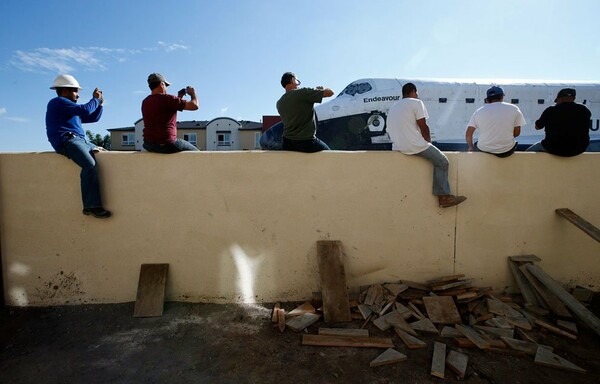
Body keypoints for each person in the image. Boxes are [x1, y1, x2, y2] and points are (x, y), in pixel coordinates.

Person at [387, 83, 466, 208]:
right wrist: (428, 143)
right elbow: (423, 126)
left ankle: (444, 196)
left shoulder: (394, 107)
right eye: (417, 93)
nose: (417, 96)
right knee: (442, 161)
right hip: (414, 145)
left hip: (398, 146)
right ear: (413, 91)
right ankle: (444, 197)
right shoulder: (416, 102)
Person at [45, 74, 111, 219]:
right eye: (75, 91)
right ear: (65, 91)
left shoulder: (70, 109)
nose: (77, 95)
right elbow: (85, 110)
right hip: (67, 141)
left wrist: (99, 104)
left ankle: (92, 205)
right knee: (89, 165)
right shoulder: (58, 102)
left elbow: (92, 117)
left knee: (109, 154)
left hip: (80, 140)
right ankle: (91, 206)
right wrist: (95, 99)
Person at [276, 72, 334, 152]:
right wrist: (321, 89)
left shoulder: (279, 103)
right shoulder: (302, 93)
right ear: (292, 80)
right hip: (306, 141)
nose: (298, 84)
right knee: (330, 156)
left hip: (287, 143)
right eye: (297, 81)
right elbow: (330, 93)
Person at [142, 73, 199, 153]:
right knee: (197, 153)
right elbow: (194, 106)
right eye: (166, 85)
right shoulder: (167, 98)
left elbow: (164, 112)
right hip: (167, 144)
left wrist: (179, 97)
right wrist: (193, 93)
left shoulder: (145, 102)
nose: (166, 88)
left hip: (148, 145)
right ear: (161, 84)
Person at [526, 88, 591, 156]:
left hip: (554, 148)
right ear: (574, 98)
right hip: (579, 148)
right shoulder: (584, 110)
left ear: (559, 98)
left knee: (527, 153)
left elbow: (538, 127)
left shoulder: (551, 110)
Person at [465, 86, 526, 157]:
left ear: (487, 99)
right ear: (502, 97)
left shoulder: (478, 112)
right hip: (506, 151)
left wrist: (471, 147)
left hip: (484, 150)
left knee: (477, 145)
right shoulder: (514, 109)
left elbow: (468, 134)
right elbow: (517, 132)